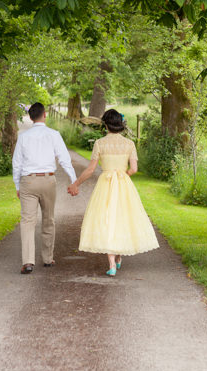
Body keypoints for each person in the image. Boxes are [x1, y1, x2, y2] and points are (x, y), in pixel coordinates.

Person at [67, 109, 159, 276]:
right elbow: (134, 169)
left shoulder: (100, 143)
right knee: (122, 218)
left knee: (107, 219)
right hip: (124, 184)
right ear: (121, 125)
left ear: (105, 125)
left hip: (105, 185)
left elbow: (90, 170)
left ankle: (111, 264)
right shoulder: (129, 144)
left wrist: (76, 183)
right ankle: (117, 257)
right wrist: (122, 175)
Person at [12, 102, 77, 274]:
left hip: (29, 181)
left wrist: (18, 185)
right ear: (45, 115)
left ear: (31, 118)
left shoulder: (24, 137)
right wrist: (73, 180)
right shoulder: (53, 134)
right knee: (48, 219)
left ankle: (28, 262)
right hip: (48, 180)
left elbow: (17, 164)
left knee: (27, 222)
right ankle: (47, 258)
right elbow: (64, 159)